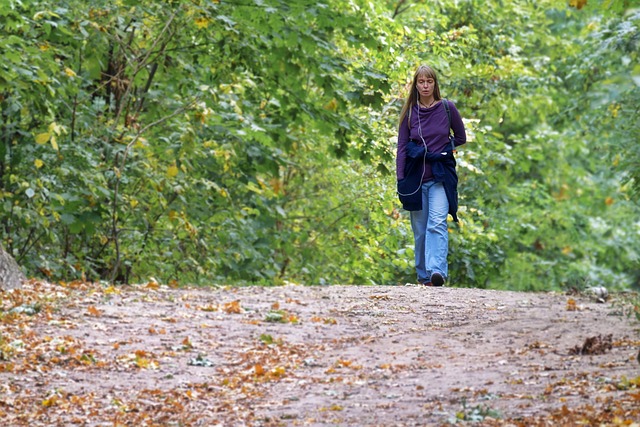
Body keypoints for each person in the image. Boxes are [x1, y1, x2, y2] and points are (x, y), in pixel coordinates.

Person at [396, 65, 466, 287]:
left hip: (440, 176)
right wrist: (400, 178)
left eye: (429, 82)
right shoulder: (410, 113)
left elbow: (461, 137)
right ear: (415, 85)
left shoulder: (447, 108)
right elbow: (401, 148)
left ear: (435, 84)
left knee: (436, 223)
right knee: (420, 231)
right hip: (415, 179)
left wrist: (446, 149)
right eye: (421, 82)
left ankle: (437, 273)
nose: (425, 86)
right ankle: (424, 275)